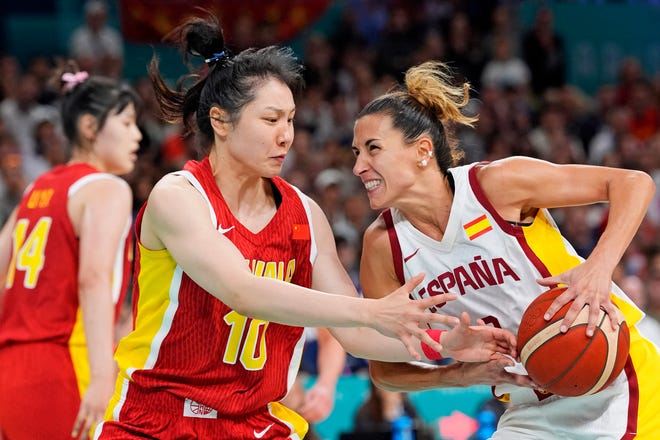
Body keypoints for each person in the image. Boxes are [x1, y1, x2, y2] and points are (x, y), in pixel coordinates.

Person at [93, 15, 516, 440]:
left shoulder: (305, 214)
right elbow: (243, 291)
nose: (286, 136)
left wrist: (444, 348)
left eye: (291, 120)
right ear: (221, 122)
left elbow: (356, 335)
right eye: (271, 120)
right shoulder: (178, 197)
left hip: (255, 423)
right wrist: (372, 309)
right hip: (158, 420)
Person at [351, 60, 660, 439]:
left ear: (422, 150)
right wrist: (462, 374)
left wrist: (599, 267)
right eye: (356, 154)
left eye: (373, 149)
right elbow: (384, 369)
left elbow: (633, 183)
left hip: (612, 379)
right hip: (527, 403)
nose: (359, 167)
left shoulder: (496, 186)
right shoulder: (382, 245)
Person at [0, 67, 142, 439]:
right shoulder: (107, 189)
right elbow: (92, 279)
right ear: (90, 128)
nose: (138, 136)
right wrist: (100, 376)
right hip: (66, 362)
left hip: (11, 369)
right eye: (127, 124)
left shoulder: (36, 189)